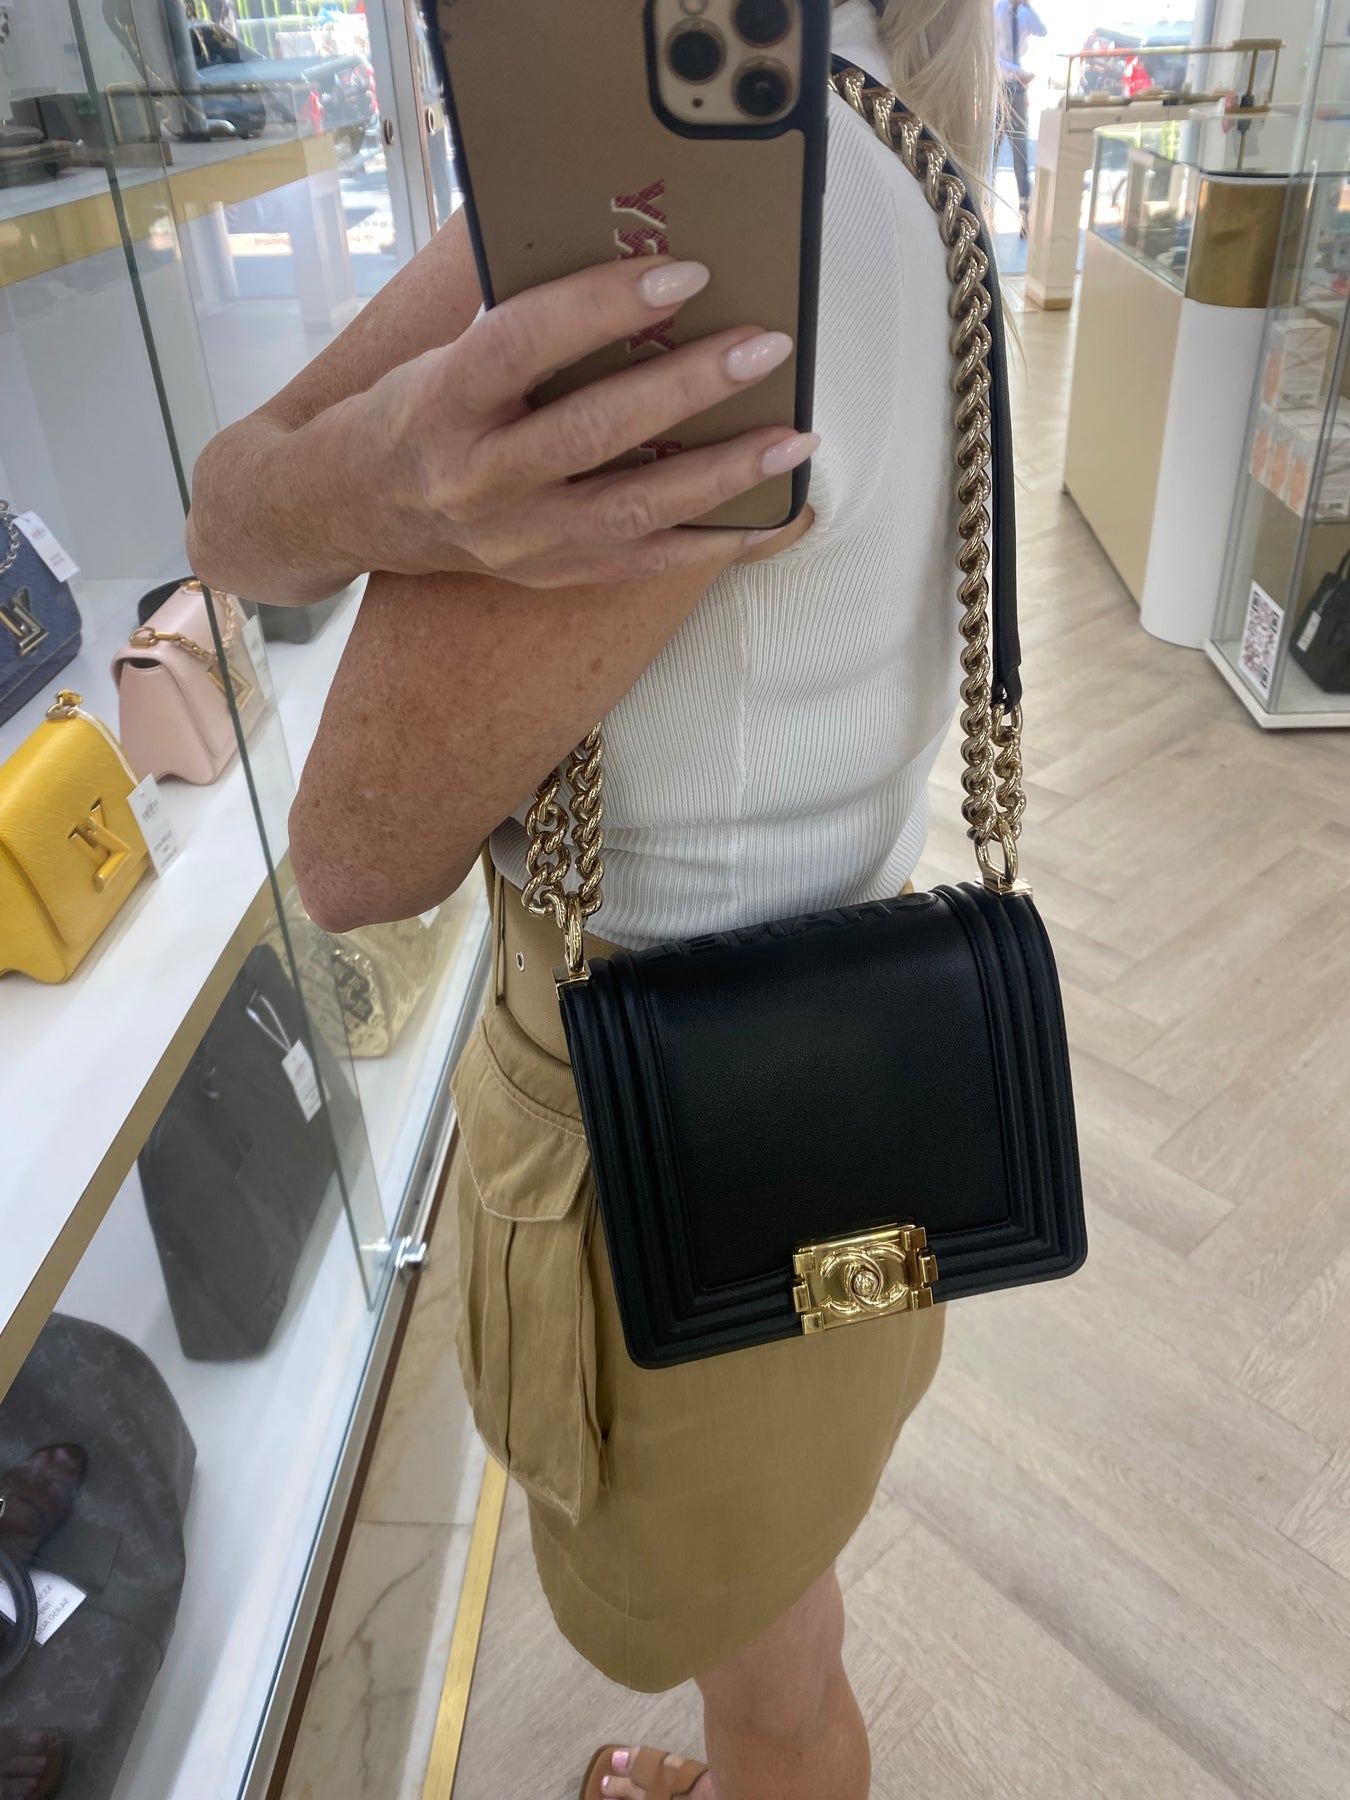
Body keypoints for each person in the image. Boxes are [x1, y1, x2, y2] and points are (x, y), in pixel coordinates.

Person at [186, 3, 996, 1796]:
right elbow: (223, 508)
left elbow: (353, 854)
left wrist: (352, 496)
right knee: (781, 1587)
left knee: (772, 1680)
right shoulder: (894, 151)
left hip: (661, 1135)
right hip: (852, 1074)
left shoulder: (701, 224)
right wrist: (387, 481)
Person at [994, 0, 1046, 234]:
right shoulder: (998, 11)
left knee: (1020, 153)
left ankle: (1026, 212)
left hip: (1018, 90)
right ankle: (986, 207)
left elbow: (1042, 31)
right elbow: (993, 55)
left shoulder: (1024, 14)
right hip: (1000, 88)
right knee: (993, 151)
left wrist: (1028, 5)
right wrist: (1018, 71)